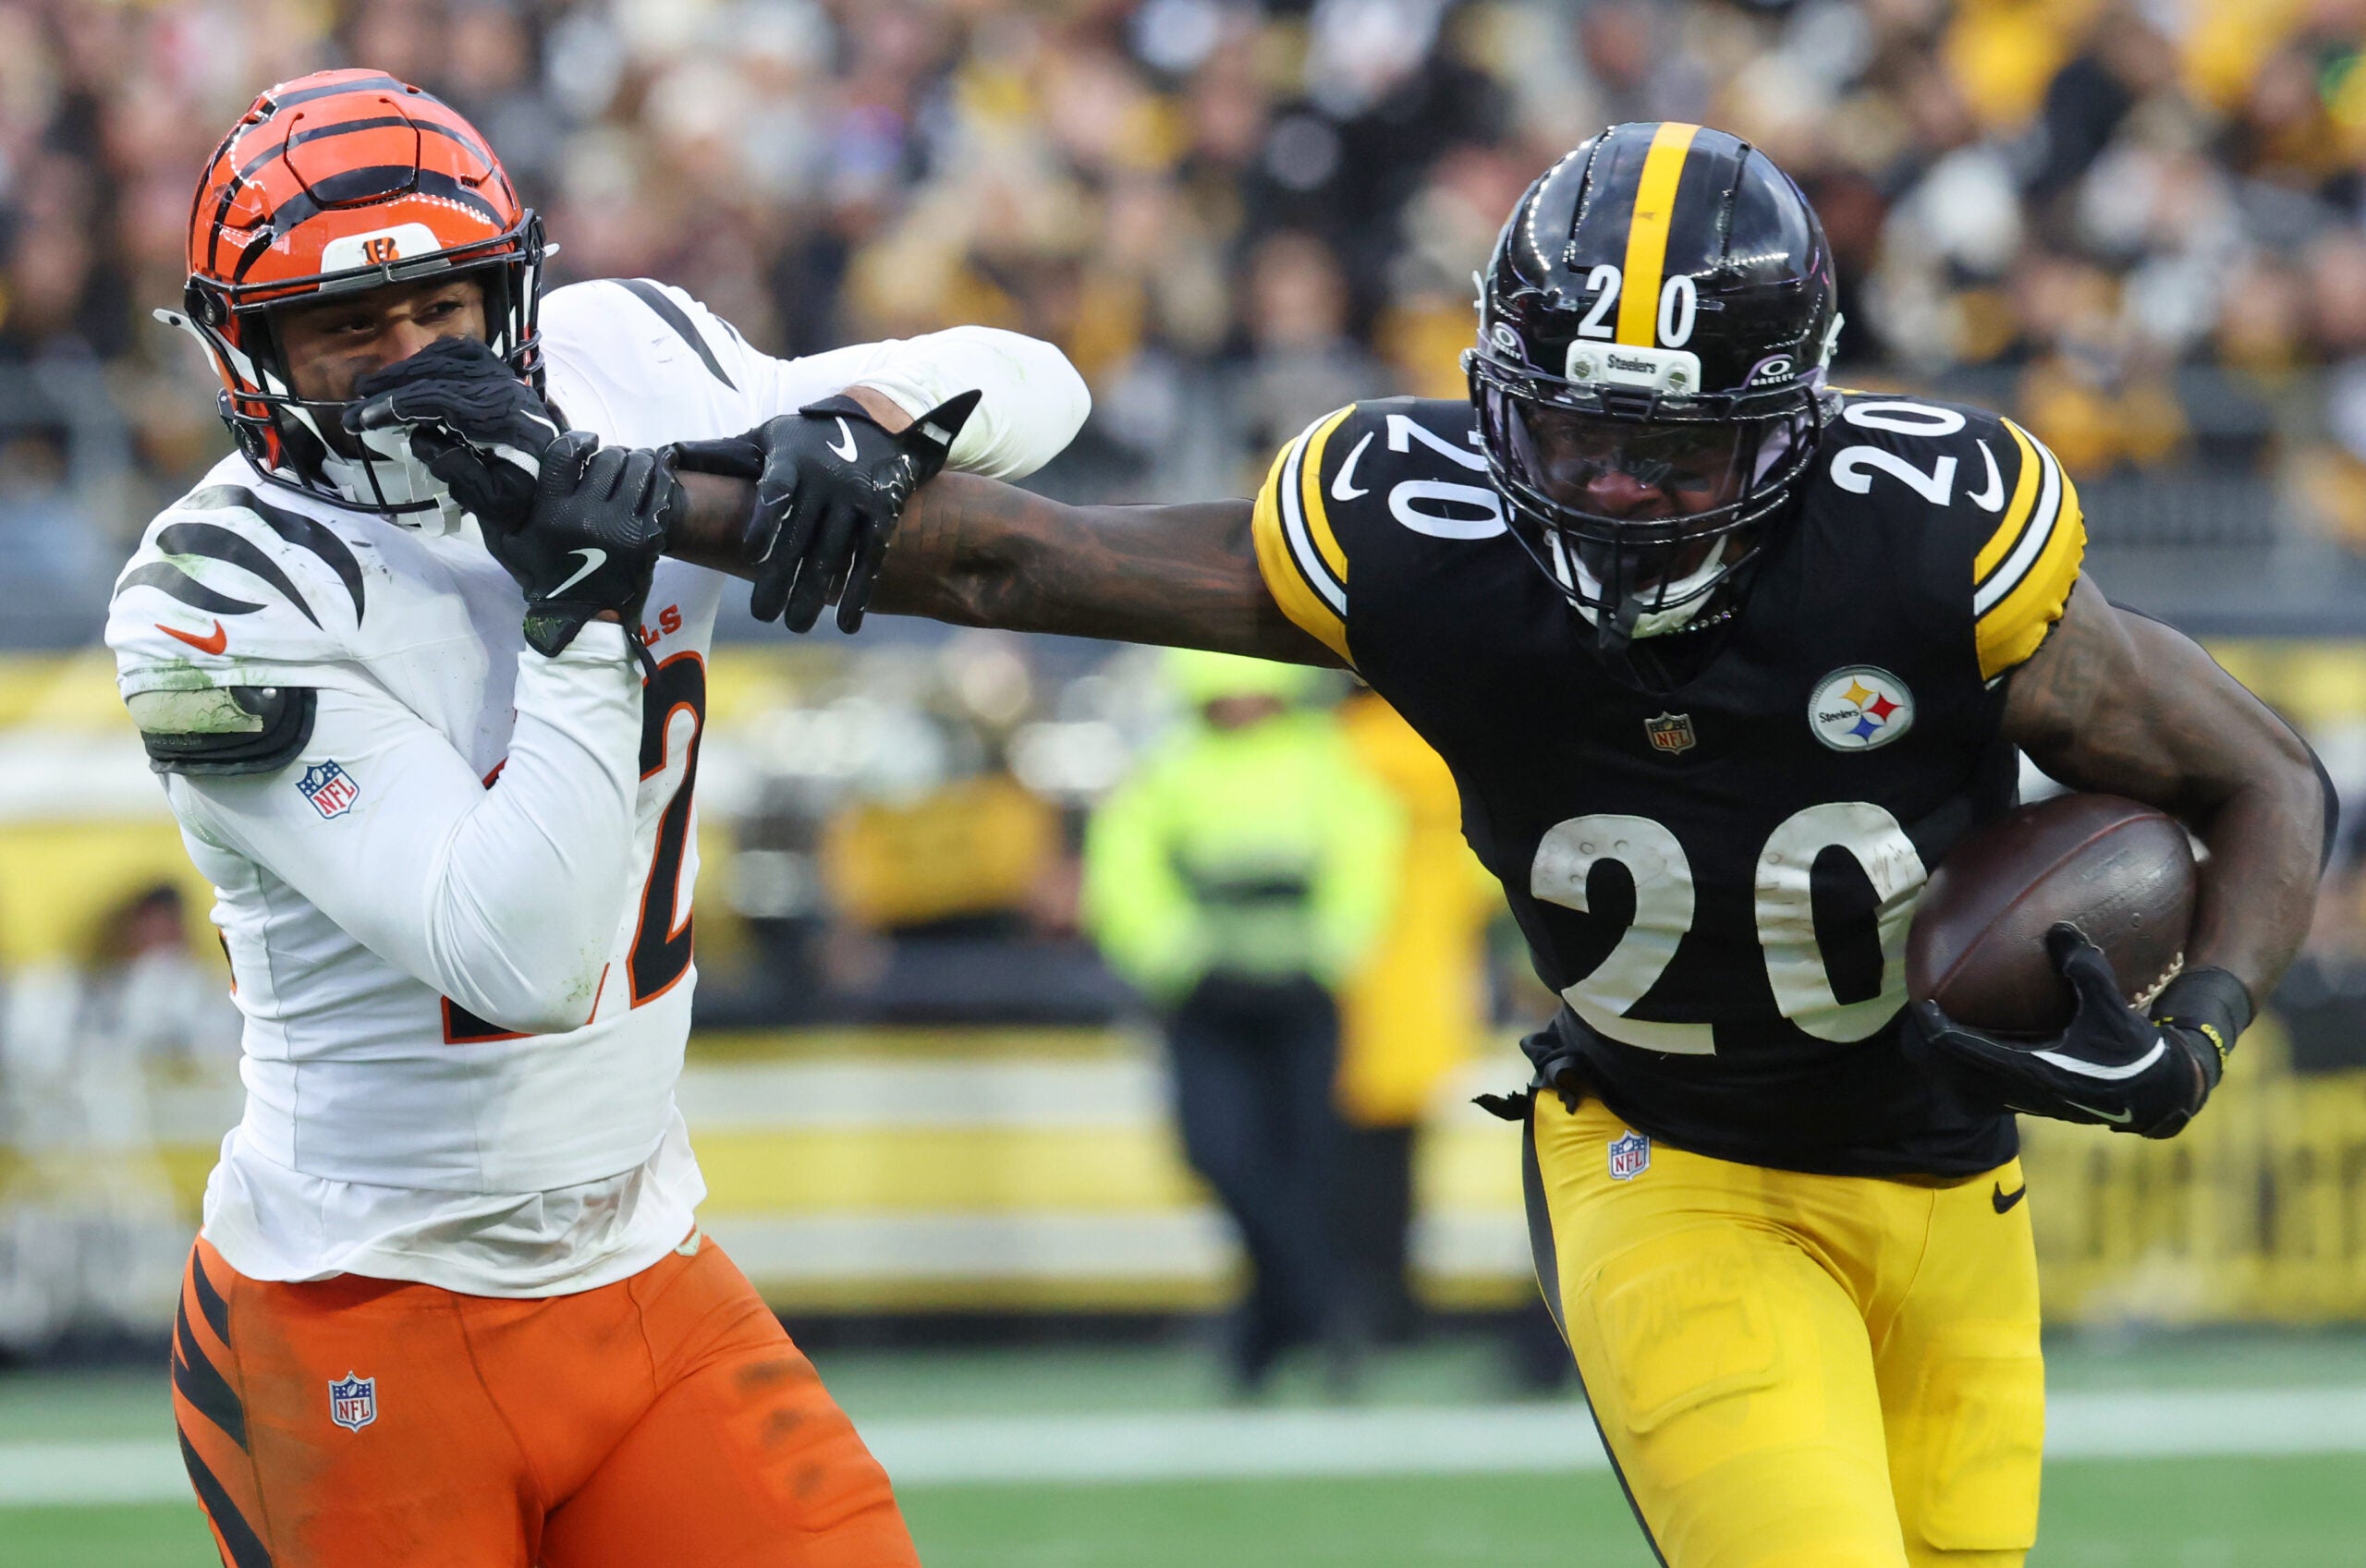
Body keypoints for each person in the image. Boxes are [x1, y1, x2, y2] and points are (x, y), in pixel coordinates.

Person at [642, 121, 2329, 1567]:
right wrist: (644, 491)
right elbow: (1029, 563)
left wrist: (2205, 1026)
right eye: (1581, 435)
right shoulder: (1422, 539)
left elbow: (2262, 776)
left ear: (1796, 425)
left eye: (1676, 455)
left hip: (1957, 1177)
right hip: (1679, 1167)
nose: (1614, 491)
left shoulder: (1928, 541)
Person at [107, 69, 1087, 1568]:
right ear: (250, 354)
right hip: (363, 1306)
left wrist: (873, 425)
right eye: (349, 330)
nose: (409, 360)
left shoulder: (623, 360)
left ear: (512, 290)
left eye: (440, 309)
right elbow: (521, 954)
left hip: (640, 1264)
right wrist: (580, 607)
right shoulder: (217, 595)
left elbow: (1038, 384)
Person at [1079, 650, 1402, 1391]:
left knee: (1308, 1160)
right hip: (1205, 1001)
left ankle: (1260, 1339)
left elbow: (1367, 856)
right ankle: (1319, 1310)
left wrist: (1325, 953)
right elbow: (1123, 868)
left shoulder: (1325, 760)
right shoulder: (1170, 766)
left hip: (1301, 997)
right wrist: (1182, 958)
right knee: (1221, 1155)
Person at [1330, 688, 1500, 1347]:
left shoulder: (1337, 749)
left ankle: (1357, 1307)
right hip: (1430, 976)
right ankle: (1395, 1303)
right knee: (1397, 1155)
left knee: (1336, 1161)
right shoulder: (1447, 740)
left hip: (1341, 979)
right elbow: (1486, 872)